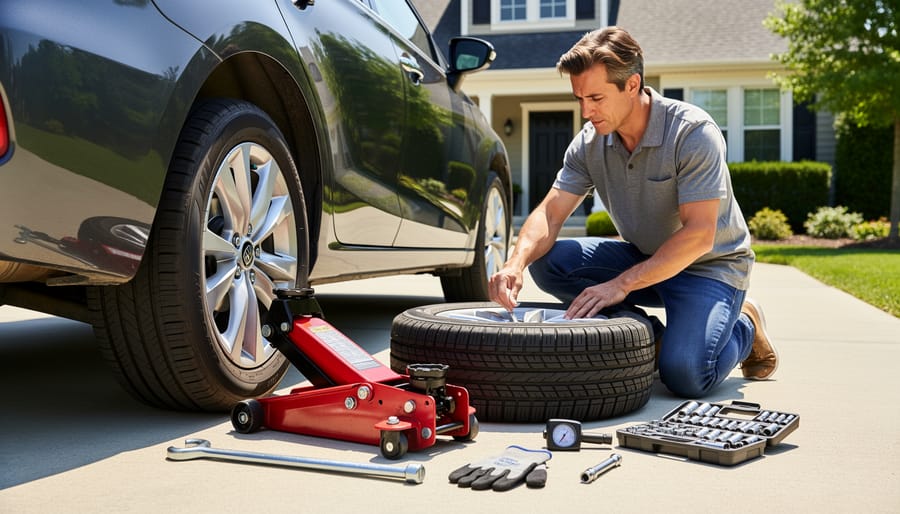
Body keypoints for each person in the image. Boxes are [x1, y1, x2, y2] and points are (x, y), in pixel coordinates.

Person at [488, 26, 778, 398]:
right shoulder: (590, 144)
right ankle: (647, 338)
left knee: (687, 375)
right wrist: (515, 263)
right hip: (646, 259)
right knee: (549, 261)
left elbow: (699, 235)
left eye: (595, 97)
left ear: (632, 84)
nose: (585, 111)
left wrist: (620, 284)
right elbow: (550, 213)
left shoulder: (692, 133)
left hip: (710, 268)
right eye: (579, 98)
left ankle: (744, 325)